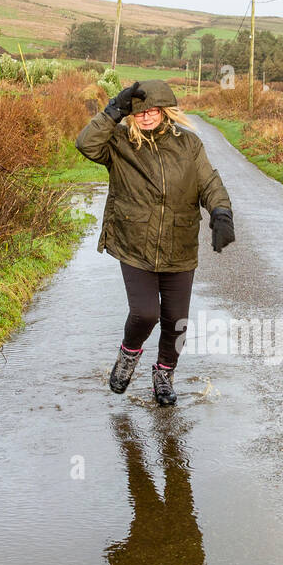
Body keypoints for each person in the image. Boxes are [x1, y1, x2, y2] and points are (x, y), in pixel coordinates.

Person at [75, 79, 234, 406]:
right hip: (135, 242)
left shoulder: (189, 144)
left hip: (180, 243)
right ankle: (127, 357)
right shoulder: (119, 143)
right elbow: (85, 145)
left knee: (177, 322)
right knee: (145, 313)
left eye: (153, 110)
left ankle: (164, 374)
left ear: (165, 111)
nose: (146, 116)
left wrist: (221, 211)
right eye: (139, 111)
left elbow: (208, 181)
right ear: (131, 113)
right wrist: (112, 112)